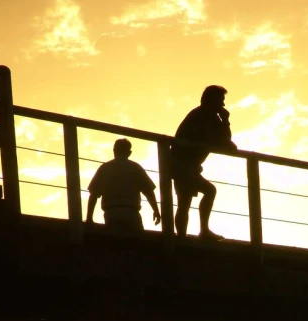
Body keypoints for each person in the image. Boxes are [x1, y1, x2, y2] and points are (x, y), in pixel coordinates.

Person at [171, 85, 237, 240]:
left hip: (188, 166)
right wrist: (223, 129)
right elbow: (224, 142)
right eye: (220, 101)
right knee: (192, 198)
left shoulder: (210, 117)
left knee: (188, 200)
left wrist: (225, 121)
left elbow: (226, 142)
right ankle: (192, 234)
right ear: (210, 100)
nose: (222, 105)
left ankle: (191, 234)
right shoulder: (199, 116)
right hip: (181, 164)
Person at [86, 138, 160, 235]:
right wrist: (156, 211)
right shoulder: (136, 168)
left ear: (114, 150)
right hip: (132, 213)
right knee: (137, 245)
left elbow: (93, 195)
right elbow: (149, 192)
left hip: (111, 213)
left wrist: (89, 218)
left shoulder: (104, 168)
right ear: (129, 153)